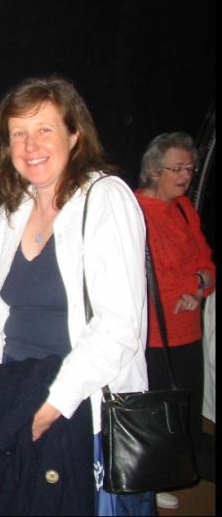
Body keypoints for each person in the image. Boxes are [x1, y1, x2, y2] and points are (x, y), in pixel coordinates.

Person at [0, 76, 153, 515]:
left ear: (74, 133)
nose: (30, 145)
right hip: (17, 401)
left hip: (81, 410)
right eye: (18, 133)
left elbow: (119, 327)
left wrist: (51, 405)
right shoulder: (16, 207)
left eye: (44, 129)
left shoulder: (106, 199)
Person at [134, 132, 216, 509]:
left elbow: (208, 263)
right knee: (157, 413)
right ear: (153, 170)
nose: (186, 175)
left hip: (189, 328)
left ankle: (183, 465)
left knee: (185, 408)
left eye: (190, 168)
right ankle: (153, 478)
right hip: (154, 335)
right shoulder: (133, 210)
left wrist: (199, 286)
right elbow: (148, 278)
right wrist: (191, 283)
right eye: (177, 168)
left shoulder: (184, 207)